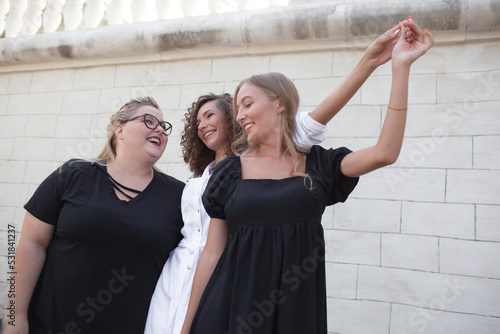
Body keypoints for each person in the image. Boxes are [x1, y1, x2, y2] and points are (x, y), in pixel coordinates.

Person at [146, 21, 416, 334]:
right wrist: (186, 327)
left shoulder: (320, 166)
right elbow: (212, 255)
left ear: (279, 104)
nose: (242, 114)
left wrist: (400, 66)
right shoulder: (230, 174)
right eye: (238, 108)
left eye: (248, 103)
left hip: (295, 313)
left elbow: (386, 152)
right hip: (228, 312)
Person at [4, 97, 185, 334]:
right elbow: (31, 242)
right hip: (50, 325)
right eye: (149, 121)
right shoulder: (71, 175)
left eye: (164, 126)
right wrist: (15, 316)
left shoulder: (179, 196)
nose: (160, 129)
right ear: (118, 130)